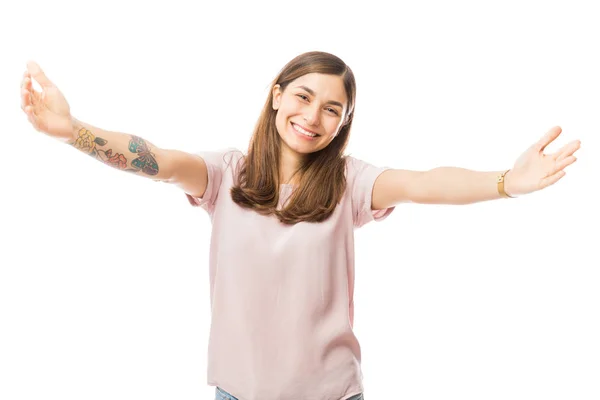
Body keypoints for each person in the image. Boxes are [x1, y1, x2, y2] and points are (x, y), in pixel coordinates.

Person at [20, 51, 580, 400]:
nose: (313, 117)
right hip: (237, 394)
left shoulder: (349, 182)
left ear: (342, 123)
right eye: (305, 96)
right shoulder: (225, 173)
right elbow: (159, 161)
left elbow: (425, 182)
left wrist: (509, 181)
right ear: (277, 95)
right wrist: (73, 131)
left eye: (332, 109)